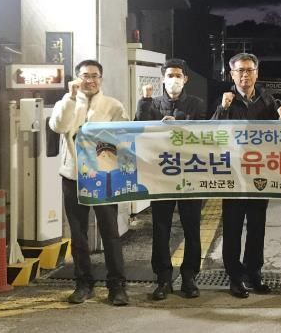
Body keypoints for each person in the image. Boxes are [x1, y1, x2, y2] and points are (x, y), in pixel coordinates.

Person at [49, 59, 130, 306]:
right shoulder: (65, 103)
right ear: (77, 78)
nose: (90, 80)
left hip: (104, 178)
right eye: (85, 75)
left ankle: (117, 285)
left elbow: (125, 136)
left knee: (110, 232)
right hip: (73, 176)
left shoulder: (113, 106)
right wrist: (71, 99)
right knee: (78, 234)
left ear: (101, 79)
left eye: (95, 76)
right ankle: (83, 283)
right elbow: (57, 126)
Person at [211, 53, 281, 298]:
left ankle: (254, 273)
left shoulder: (267, 100)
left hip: (259, 175)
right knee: (232, 228)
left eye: (249, 70)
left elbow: (278, 136)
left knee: (257, 228)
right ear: (232, 74)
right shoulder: (225, 100)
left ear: (257, 73)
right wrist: (223, 109)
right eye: (240, 71)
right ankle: (235, 277)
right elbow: (211, 132)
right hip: (233, 175)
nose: (245, 75)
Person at [135, 58, 206, 300]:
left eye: (178, 75)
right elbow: (139, 129)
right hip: (161, 175)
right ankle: (163, 279)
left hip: (190, 174)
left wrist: (181, 126)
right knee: (161, 228)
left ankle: (189, 277)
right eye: (170, 75)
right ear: (163, 79)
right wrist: (144, 101)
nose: (174, 80)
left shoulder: (196, 103)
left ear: (186, 79)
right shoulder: (153, 103)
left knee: (192, 227)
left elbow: (205, 133)